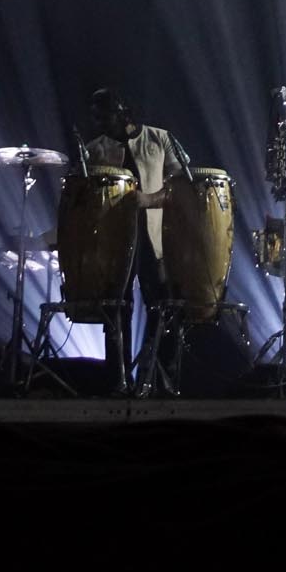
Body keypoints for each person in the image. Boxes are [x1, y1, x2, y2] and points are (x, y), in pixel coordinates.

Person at [81, 86, 187, 390]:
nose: (100, 123)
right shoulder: (95, 149)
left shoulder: (159, 138)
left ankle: (158, 378)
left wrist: (149, 200)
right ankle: (118, 380)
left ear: (122, 113)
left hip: (155, 237)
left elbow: (182, 185)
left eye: (105, 116)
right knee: (116, 306)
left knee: (163, 304)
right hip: (114, 240)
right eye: (96, 117)